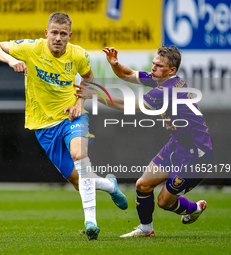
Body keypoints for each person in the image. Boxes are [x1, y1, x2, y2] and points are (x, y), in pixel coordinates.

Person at [0, 13, 128, 240]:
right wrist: (11, 60)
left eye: (63, 34)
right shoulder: (30, 49)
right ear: (46, 33)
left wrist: (80, 102)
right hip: (43, 125)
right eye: (54, 32)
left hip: (72, 116)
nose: (58, 38)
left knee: (79, 155)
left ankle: (91, 222)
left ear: (69, 36)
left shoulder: (78, 55)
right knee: (79, 181)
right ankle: (110, 185)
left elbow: (88, 78)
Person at [76, 45, 213, 237]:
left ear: (172, 70)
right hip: (178, 146)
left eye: (159, 65)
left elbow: (128, 105)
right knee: (142, 185)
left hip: (196, 155)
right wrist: (115, 64)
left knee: (164, 202)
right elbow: (127, 73)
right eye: (153, 63)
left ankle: (195, 208)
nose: (153, 68)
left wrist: (95, 95)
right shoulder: (161, 78)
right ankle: (146, 229)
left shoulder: (167, 89)